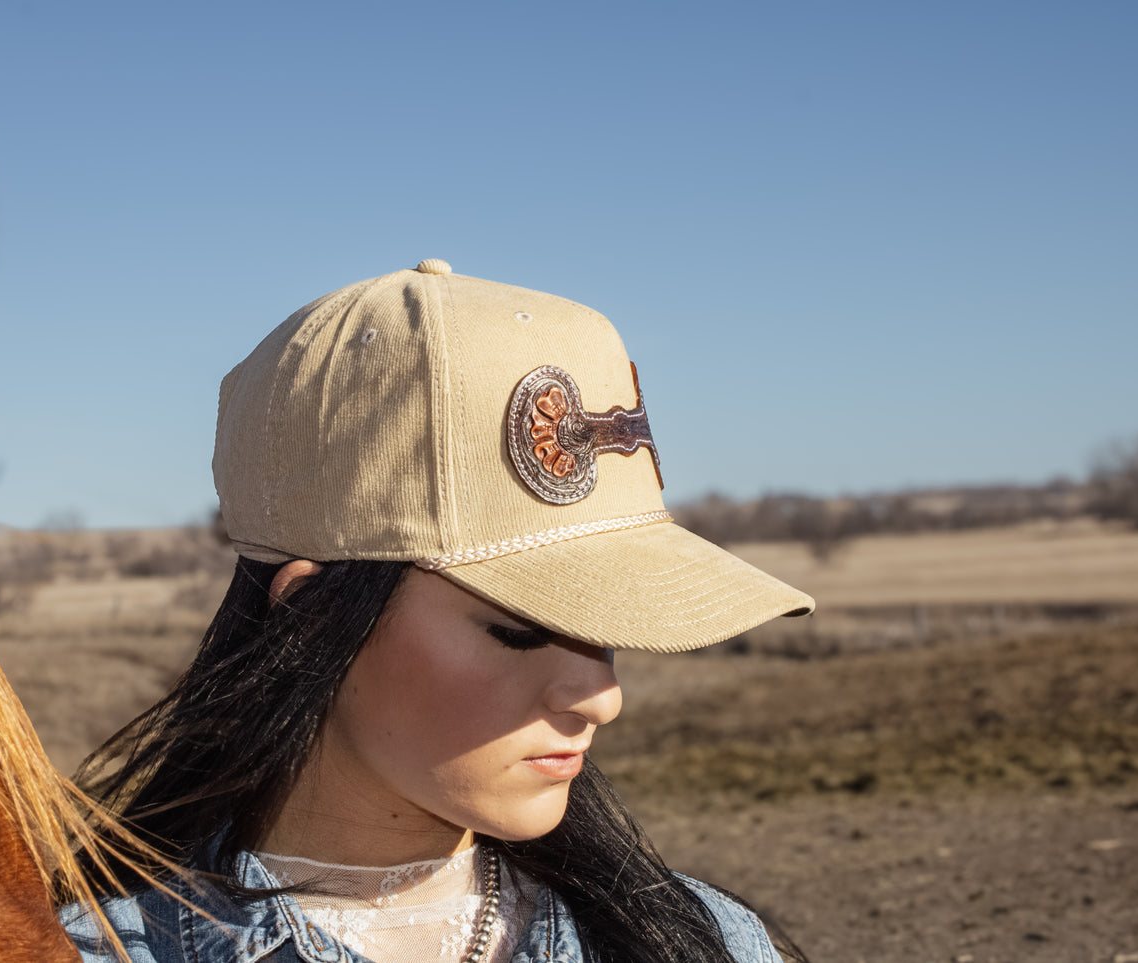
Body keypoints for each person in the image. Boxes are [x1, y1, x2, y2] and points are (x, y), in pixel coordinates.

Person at [60, 259, 815, 963]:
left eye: (607, 628)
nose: (602, 698)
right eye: (519, 631)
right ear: (307, 622)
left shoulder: (705, 938)